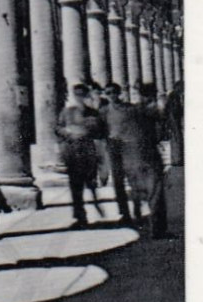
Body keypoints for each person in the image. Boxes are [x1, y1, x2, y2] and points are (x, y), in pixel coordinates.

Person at [55, 83, 106, 228]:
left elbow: (101, 132)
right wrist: (67, 133)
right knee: (75, 185)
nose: (79, 97)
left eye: (82, 94)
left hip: (89, 150)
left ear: (86, 95)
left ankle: (96, 205)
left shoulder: (93, 113)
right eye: (77, 94)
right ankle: (80, 216)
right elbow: (58, 128)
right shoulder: (66, 112)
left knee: (91, 182)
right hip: (73, 151)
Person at [129, 82, 169, 238]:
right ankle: (158, 230)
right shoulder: (152, 110)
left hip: (134, 154)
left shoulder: (132, 110)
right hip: (150, 154)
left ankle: (140, 218)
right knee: (156, 193)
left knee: (142, 189)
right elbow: (161, 130)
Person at [99, 83, 136, 226]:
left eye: (113, 92)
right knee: (118, 181)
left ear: (118, 93)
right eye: (108, 93)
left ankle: (137, 208)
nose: (111, 95)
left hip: (130, 146)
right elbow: (100, 130)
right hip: (113, 147)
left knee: (134, 179)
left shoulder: (129, 109)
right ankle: (124, 213)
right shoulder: (103, 111)